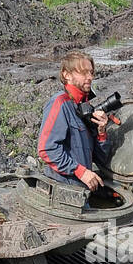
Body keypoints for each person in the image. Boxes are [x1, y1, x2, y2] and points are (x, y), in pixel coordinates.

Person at [36, 50, 112, 190]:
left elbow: (100, 158)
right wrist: (80, 171)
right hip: (62, 188)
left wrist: (101, 132)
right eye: (83, 72)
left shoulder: (85, 107)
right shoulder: (60, 103)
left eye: (91, 72)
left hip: (81, 189)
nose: (89, 77)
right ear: (67, 75)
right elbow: (47, 149)